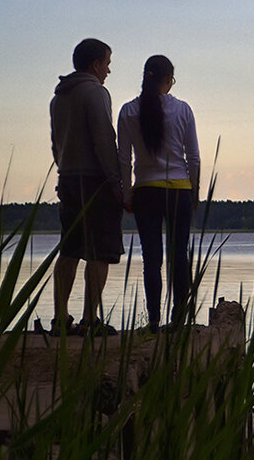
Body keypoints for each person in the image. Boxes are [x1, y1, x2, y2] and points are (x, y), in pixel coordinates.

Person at [116, 55, 201, 332]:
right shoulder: (183, 110)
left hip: (146, 192)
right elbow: (194, 158)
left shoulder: (128, 111)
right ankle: (180, 319)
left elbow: (124, 161)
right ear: (168, 80)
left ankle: (153, 321)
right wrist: (194, 192)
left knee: (151, 258)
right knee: (179, 256)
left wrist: (127, 195)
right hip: (179, 192)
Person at [50, 38, 124, 335]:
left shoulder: (58, 98)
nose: (108, 70)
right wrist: (115, 182)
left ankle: (59, 318)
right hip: (96, 181)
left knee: (69, 249)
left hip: (67, 179)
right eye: (107, 63)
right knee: (100, 252)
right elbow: (104, 139)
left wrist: (63, 172)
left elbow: (56, 143)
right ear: (95, 64)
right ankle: (89, 319)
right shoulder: (96, 93)